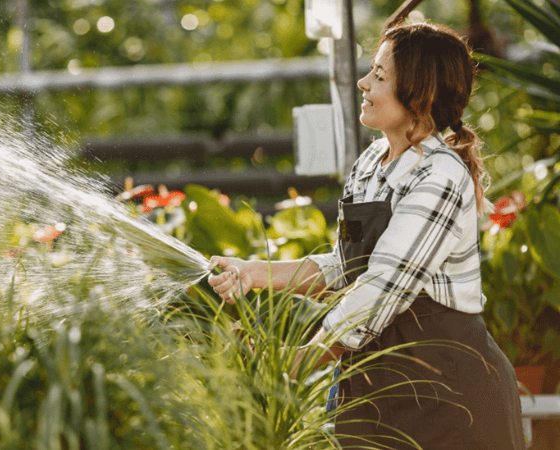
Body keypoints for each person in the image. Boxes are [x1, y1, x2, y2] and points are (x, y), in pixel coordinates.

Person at [208, 22, 525, 449]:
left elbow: (382, 288)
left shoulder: (441, 177)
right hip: (378, 387)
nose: (363, 82)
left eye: (379, 75)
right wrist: (253, 273)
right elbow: (347, 267)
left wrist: (299, 360)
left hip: (448, 395)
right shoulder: (372, 161)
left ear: (418, 92)